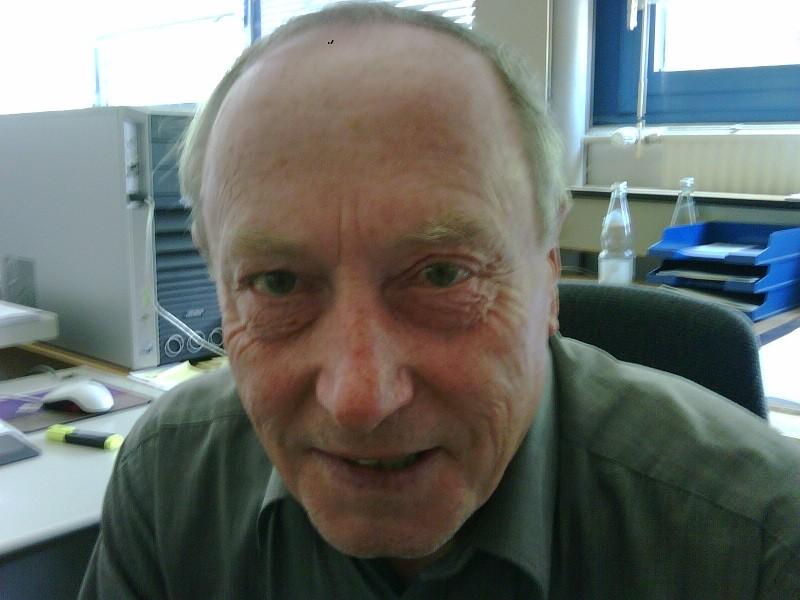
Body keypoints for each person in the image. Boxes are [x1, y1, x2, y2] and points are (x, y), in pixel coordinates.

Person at [80, 3, 800, 599]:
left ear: (549, 273)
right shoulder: (171, 482)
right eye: (278, 283)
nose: (359, 400)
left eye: (442, 275)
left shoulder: (761, 544)